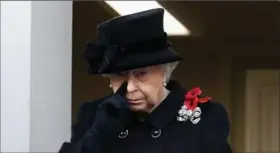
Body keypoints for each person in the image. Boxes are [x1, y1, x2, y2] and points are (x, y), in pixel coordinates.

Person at [59, 8, 232, 153]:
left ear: (165, 71)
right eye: (120, 75)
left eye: (141, 74)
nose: (130, 88)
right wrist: (98, 134)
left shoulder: (204, 117)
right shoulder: (93, 114)